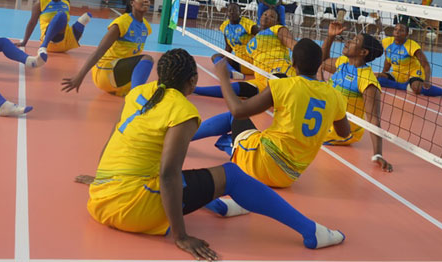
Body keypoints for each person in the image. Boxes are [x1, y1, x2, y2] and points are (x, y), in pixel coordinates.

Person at [75, 48, 345, 261]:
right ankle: (312, 232)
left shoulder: (138, 93)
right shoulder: (183, 112)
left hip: (101, 199)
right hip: (131, 209)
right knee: (231, 175)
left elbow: (115, 137)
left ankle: (219, 204)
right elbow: (169, 175)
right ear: (192, 81)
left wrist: (101, 178)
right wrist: (181, 236)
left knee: (170, 168)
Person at [191, 39, 352, 189]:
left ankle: (188, 138)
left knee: (233, 118)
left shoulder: (285, 85)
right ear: (318, 65)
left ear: (293, 62)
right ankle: (230, 143)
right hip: (289, 177)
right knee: (247, 134)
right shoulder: (335, 95)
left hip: (262, 163)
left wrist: (224, 79)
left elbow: (238, 111)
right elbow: (344, 133)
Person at [321, 23, 393, 172]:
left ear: (363, 52)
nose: (348, 41)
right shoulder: (343, 63)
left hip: (345, 132)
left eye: (354, 41)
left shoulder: (368, 81)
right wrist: (330, 37)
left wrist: (378, 154)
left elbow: (374, 119)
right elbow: (322, 62)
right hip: (329, 119)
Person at [62, 0, 153, 96]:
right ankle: (135, 98)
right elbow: (99, 52)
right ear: (132, 3)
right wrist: (80, 76)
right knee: (147, 59)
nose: (146, 0)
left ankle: (131, 92)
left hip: (118, 73)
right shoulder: (122, 23)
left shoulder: (146, 27)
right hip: (105, 71)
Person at [377, 22, 442, 101]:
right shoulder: (387, 42)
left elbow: (426, 65)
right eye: (395, 29)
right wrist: (384, 73)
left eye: (401, 30)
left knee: (416, 88)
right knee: (378, 79)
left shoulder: (412, 45)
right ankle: (404, 86)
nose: (397, 32)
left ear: (407, 34)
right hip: (398, 73)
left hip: (414, 72)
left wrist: (427, 81)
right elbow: (388, 60)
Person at [194, 2, 259, 99]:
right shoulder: (225, 26)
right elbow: (228, 48)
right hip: (238, 60)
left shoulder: (248, 25)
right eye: (230, 11)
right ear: (227, 13)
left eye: (235, 10)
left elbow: (263, 38)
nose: (232, 13)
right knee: (216, 57)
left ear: (240, 12)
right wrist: (223, 60)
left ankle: (231, 71)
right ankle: (232, 72)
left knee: (220, 60)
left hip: (251, 63)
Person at [17, 0, 92, 59]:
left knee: (86, 16)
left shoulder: (66, 4)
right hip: (51, 42)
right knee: (61, 15)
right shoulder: (41, 2)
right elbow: (32, 22)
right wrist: (24, 41)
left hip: (66, 43)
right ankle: (43, 47)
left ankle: (71, 40)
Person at [246, 8, 298, 93]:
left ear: (276, 22)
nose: (266, 17)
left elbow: (294, 45)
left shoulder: (277, 29)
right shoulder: (253, 38)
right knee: (230, 90)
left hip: (280, 72)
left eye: (271, 17)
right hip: (260, 79)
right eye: (265, 14)